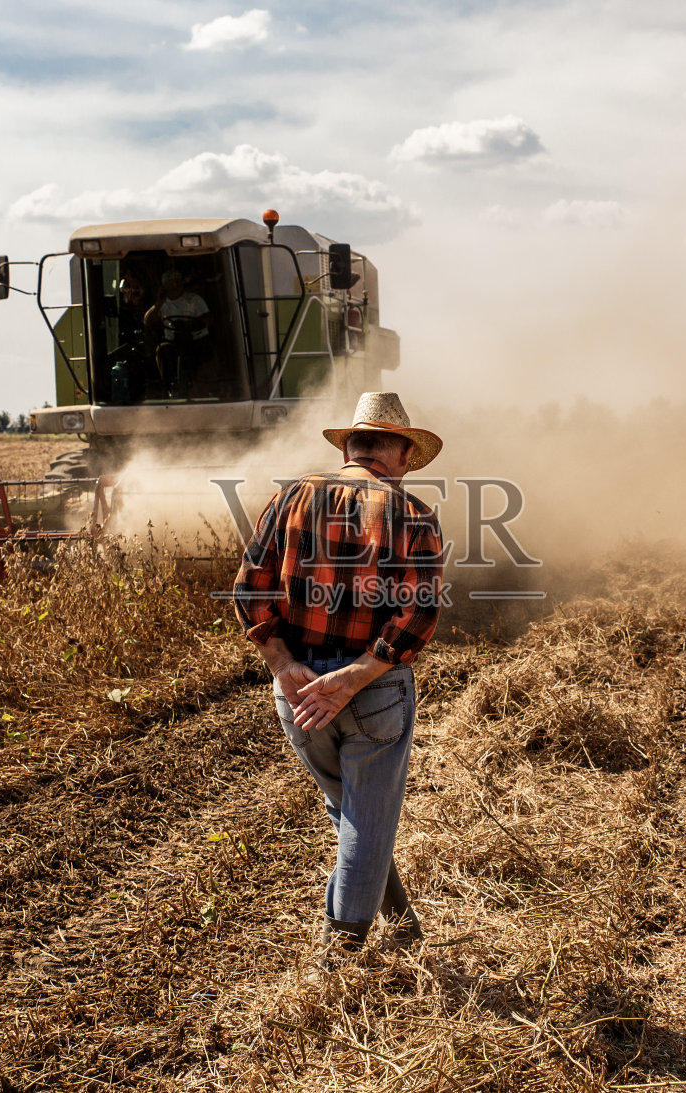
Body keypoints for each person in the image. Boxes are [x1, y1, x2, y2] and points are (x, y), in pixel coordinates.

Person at [233, 392, 445, 953]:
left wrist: (283, 666)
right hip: (373, 694)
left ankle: (404, 932)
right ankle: (342, 954)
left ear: (350, 445)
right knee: (367, 825)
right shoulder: (413, 516)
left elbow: (248, 591)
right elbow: (418, 614)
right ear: (399, 452)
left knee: (352, 815)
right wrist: (353, 677)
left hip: (300, 694)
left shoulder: (289, 499)